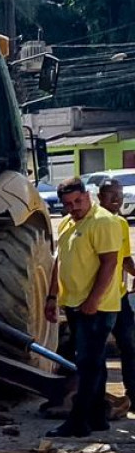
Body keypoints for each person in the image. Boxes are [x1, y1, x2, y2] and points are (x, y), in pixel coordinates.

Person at [46, 177, 125, 436]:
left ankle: (78, 421)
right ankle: (97, 417)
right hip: (74, 303)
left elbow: (110, 263)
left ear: (87, 195)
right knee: (95, 363)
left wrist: (93, 300)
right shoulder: (69, 223)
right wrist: (52, 297)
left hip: (97, 307)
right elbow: (61, 261)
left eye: (78, 201)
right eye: (68, 204)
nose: (74, 207)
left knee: (87, 364)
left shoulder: (103, 221)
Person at [98, 178, 135, 400]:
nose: (117, 199)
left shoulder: (120, 223)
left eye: (120, 194)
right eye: (111, 194)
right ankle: (97, 398)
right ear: (100, 196)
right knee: (96, 352)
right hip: (98, 300)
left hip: (118, 297)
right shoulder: (91, 222)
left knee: (130, 345)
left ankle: (133, 395)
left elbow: (125, 260)